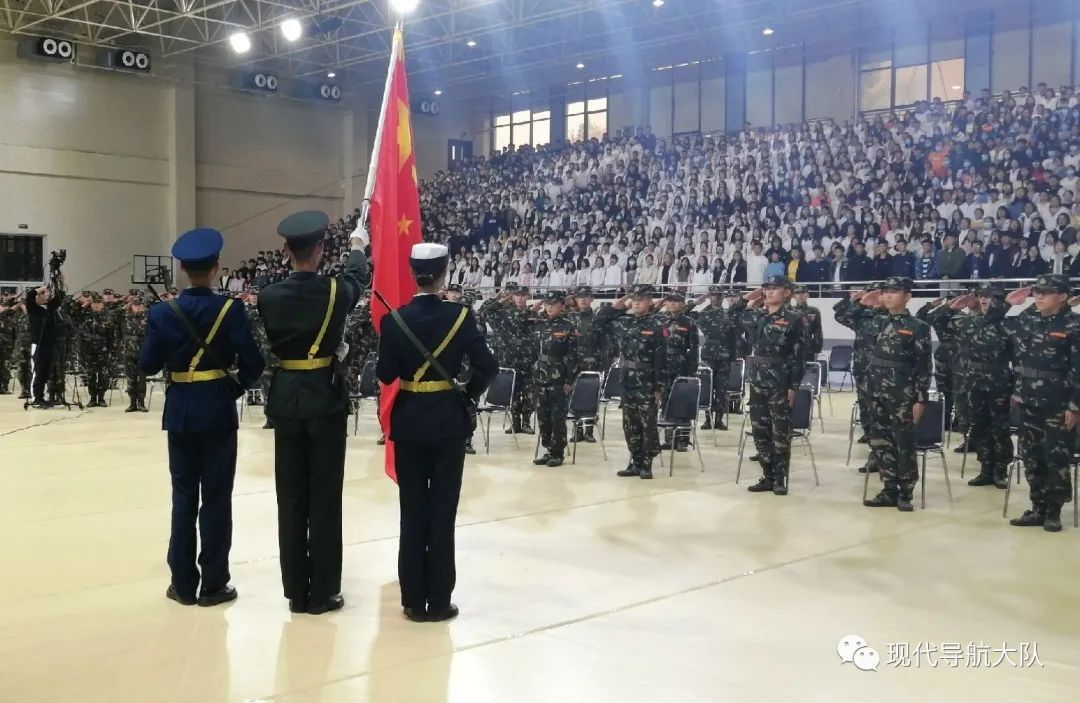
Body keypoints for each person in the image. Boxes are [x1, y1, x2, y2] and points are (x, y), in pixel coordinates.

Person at [139, 227, 264, 607]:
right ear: (216, 268)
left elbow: (147, 365)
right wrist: (234, 387)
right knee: (216, 498)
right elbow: (254, 362)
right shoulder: (230, 310)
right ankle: (214, 583)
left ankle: (181, 583)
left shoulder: (162, 312)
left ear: (182, 269)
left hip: (180, 411)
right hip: (218, 412)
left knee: (183, 498)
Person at [376, 242, 498, 622]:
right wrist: (467, 393)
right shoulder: (461, 317)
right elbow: (487, 366)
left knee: (412, 512)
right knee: (443, 512)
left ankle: (413, 600)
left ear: (413, 274)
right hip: (447, 421)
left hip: (410, 422)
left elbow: (385, 374)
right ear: (444, 274)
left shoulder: (395, 321)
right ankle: (440, 599)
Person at [258, 211, 369, 615]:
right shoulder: (335, 292)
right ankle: (323, 591)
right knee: (324, 497)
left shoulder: (269, 296)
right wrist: (357, 246)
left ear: (287, 250)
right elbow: (358, 278)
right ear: (320, 249)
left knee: (289, 497)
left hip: (287, 397)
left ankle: (296, 591)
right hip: (324, 397)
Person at [1004, 274, 1080, 532]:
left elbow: (1078, 369)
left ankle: (1054, 510)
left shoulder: (1074, 325)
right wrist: (1008, 303)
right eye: (1036, 292)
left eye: (1045, 292)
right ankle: (1038, 507)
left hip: (1057, 403)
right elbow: (994, 326)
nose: (1038, 296)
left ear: (1063, 296)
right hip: (1028, 400)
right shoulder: (1028, 320)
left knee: (1055, 456)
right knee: (1031, 455)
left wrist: (1075, 406)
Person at [859, 277, 932, 512]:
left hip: (903, 394)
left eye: (894, 291)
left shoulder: (918, 326)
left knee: (903, 442)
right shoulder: (876, 320)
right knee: (880, 441)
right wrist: (864, 302)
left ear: (907, 296)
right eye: (885, 291)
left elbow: (923, 365)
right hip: (875, 391)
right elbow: (849, 316)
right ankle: (889, 488)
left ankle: (905, 492)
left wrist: (921, 398)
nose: (888, 295)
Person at [730, 275, 806, 495]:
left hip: (780, 382)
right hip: (757, 381)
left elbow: (799, 357)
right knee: (760, 430)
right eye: (767, 288)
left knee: (780, 432)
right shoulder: (757, 316)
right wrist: (746, 298)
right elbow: (732, 315)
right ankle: (767, 476)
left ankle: (780, 478)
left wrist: (794, 386)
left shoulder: (794, 319)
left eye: (775, 288)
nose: (769, 291)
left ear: (787, 293)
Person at [945, 285, 1014, 488]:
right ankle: (986, 469)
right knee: (979, 427)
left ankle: (1000, 470)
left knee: (999, 428)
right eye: (981, 296)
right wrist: (950, 308)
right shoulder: (971, 322)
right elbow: (937, 321)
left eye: (989, 297)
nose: (984, 300)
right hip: (974, 382)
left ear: (999, 301)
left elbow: (1018, 358)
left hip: (999, 382)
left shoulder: (1008, 325)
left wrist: (1017, 388)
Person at [595, 284, 665, 479]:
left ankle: (647, 463)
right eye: (633, 299)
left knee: (647, 423)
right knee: (629, 423)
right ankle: (635, 461)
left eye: (640, 300)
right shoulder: (624, 322)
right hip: (627, 379)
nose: (636, 303)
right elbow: (600, 319)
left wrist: (659, 387)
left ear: (649, 302)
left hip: (647, 381)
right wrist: (622, 302)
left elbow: (662, 359)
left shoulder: (657, 325)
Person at [530, 290, 579, 467]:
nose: (549, 307)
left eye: (554, 304)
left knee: (557, 417)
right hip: (540, 377)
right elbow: (533, 351)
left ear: (562, 306)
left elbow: (574, 356)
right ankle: (548, 449)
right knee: (543, 417)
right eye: (547, 304)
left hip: (559, 378)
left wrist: (570, 380)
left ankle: (558, 453)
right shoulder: (538, 324)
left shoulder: (568, 326)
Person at [656, 291, 700, 451]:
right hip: (664, 369)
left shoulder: (689, 323)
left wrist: (692, 373)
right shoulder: (659, 321)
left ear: (683, 303)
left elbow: (694, 349)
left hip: (682, 370)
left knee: (683, 403)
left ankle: (682, 440)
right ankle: (669, 439)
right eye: (669, 301)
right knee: (666, 403)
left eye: (676, 301)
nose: (672, 303)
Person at [690, 286, 737, 431]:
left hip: (724, 356)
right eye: (714, 295)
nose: (717, 298)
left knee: (722, 389)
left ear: (723, 297)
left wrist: (733, 358)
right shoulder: (704, 314)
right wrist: (696, 302)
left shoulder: (728, 314)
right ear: (709, 296)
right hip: (708, 355)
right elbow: (684, 313)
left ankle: (719, 420)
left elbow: (733, 339)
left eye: (719, 295)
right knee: (708, 388)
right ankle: (708, 419)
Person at [25, 285, 63, 408]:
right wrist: (42, 288)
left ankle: (41, 397)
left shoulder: (47, 309)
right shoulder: (32, 308)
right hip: (38, 345)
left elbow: (58, 299)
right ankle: (36, 398)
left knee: (45, 373)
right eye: (40, 295)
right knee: (38, 372)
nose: (43, 297)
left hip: (49, 345)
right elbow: (30, 295)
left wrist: (56, 283)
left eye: (44, 294)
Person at [121, 294, 149, 412]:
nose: (137, 307)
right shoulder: (126, 317)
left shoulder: (149, 317)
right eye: (135, 305)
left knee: (141, 379)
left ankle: (141, 403)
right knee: (130, 379)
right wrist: (129, 304)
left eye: (139, 305)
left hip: (142, 352)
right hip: (128, 352)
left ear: (143, 306)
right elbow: (115, 313)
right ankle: (132, 403)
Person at [791, 285, 823, 359]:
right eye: (797, 293)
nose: (800, 295)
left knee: (809, 366)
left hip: (808, 347)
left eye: (803, 292)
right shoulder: (790, 310)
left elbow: (818, 331)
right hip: (792, 347)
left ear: (808, 295)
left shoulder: (814, 311)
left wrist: (817, 350)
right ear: (794, 296)